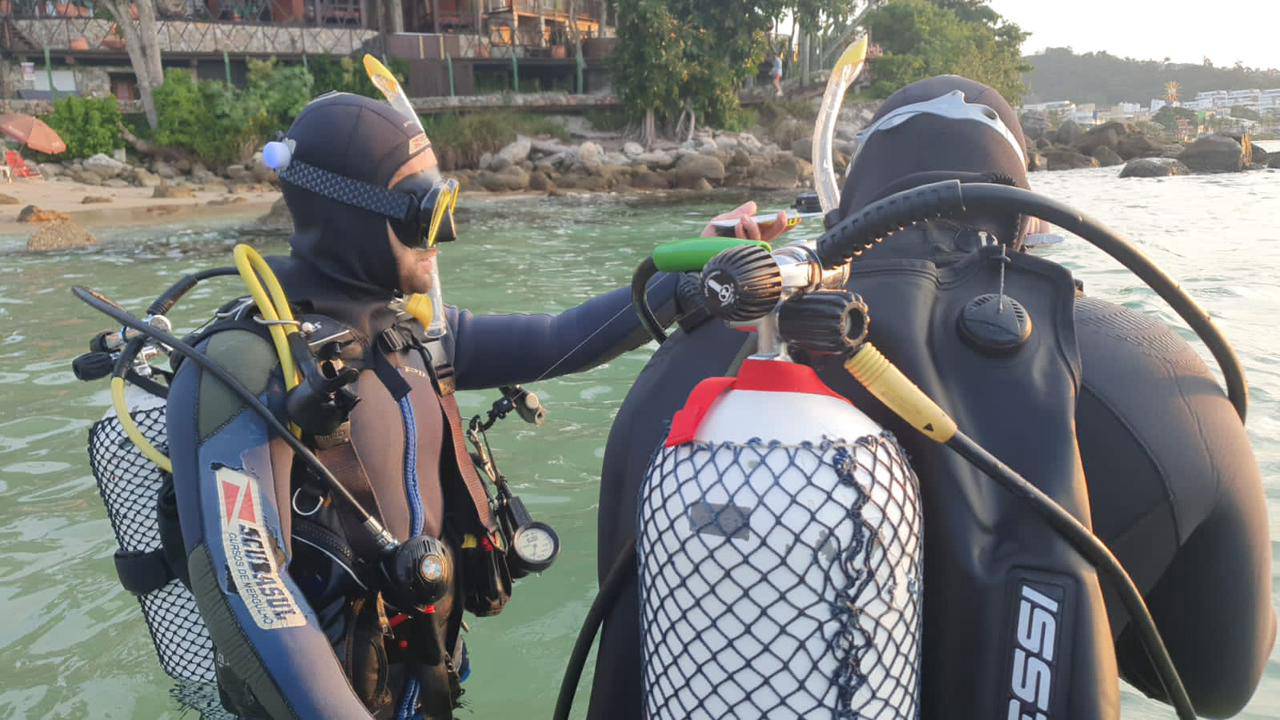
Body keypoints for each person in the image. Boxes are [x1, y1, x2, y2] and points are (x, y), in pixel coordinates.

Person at [588, 75, 1273, 719]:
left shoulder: (681, 368)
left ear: (847, 211)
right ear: (1028, 219)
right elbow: (1215, 685)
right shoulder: (1157, 371)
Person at [162, 92, 790, 719]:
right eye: (426, 214)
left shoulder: (419, 336)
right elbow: (248, 587)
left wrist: (694, 274)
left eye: (447, 205)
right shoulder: (246, 367)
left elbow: (564, 339)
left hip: (421, 683)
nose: (447, 235)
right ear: (351, 217)